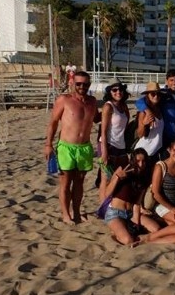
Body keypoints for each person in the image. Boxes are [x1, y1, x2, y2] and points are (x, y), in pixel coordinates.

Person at [44, 71, 98, 225]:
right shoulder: (64, 100)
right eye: (79, 83)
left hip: (84, 147)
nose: (82, 87)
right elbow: (53, 123)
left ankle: (77, 212)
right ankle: (66, 214)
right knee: (66, 182)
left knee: (80, 182)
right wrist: (48, 144)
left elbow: (97, 118)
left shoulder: (92, 101)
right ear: (73, 83)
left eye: (86, 84)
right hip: (66, 147)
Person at [104, 148, 161, 245]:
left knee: (157, 229)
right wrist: (117, 178)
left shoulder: (143, 178)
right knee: (128, 240)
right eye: (138, 161)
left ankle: (124, 230)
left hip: (130, 213)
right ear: (133, 160)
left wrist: (136, 222)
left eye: (143, 161)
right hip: (115, 212)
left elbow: (137, 203)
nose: (140, 164)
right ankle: (117, 232)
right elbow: (107, 194)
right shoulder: (123, 170)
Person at [98, 78, 130, 203]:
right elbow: (104, 131)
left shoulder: (124, 106)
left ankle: (113, 203)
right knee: (105, 178)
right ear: (110, 92)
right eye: (114, 90)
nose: (118, 92)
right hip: (108, 145)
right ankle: (103, 206)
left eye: (120, 89)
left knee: (119, 176)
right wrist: (104, 152)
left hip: (121, 145)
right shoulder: (108, 106)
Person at [149, 139, 175, 225]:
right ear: (169, 150)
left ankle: (164, 222)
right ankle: (158, 218)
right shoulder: (161, 166)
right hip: (162, 204)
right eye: (174, 150)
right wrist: (171, 208)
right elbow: (155, 194)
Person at [135, 81, 165, 161]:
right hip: (143, 154)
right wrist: (144, 123)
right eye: (153, 94)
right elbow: (140, 134)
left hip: (155, 153)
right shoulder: (143, 112)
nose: (156, 96)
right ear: (147, 95)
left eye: (158, 94)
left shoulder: (160, 108)